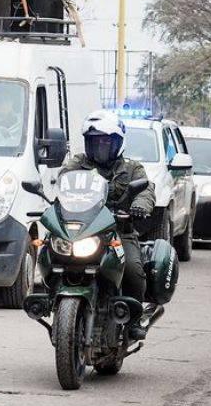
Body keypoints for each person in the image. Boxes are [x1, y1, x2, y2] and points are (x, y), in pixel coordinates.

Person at [64, 109, 156, 335]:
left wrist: (140, 206)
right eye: (94, 141)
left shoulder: (132, 168)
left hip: (119, 230)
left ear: (118, 142)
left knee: (133, 270)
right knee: (53, 252)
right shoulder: (78, 163)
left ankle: (134, 321)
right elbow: (63, 181)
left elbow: (146, 190)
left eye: (105, 141)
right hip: (84, 229)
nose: (100, 147)